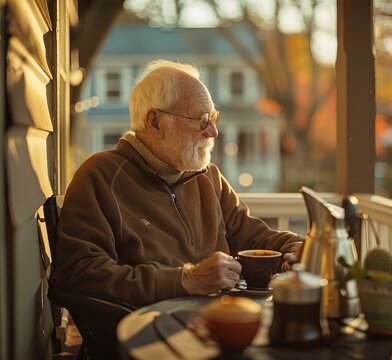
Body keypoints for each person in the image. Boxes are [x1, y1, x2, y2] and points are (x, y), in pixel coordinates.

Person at [54, 59, 303, 307]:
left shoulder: (208, 177)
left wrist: (296, 246)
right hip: (146, 332)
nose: (214, 131)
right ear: (155, 122)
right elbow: (80, 272)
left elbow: (253, 238)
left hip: (217, 320)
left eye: (214, 118)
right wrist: (184, 280)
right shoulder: (101, 177)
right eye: (203, 119)